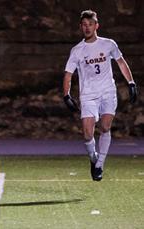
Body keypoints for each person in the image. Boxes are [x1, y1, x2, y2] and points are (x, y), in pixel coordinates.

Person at [63, 10, 137, 181]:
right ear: (81, 27)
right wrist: (66, 95)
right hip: (88, 94)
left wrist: (131, 83)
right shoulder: (77, 50)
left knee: (105, 127)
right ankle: (93, 158)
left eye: (90, 24)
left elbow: (121, 62)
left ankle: (100, 165)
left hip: (107, 92)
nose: (87, 28)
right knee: (88, 133)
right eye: (84, 25)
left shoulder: (108, 44)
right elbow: (68, 74)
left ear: (97, 26)